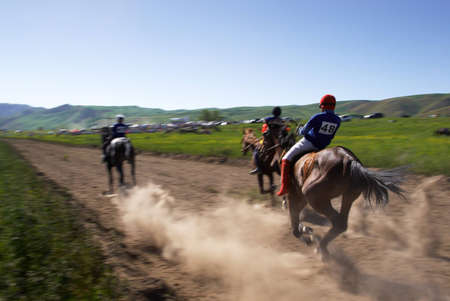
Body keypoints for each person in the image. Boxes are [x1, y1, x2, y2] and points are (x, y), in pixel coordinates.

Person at [277, 94, 341, 196]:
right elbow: (331, 135)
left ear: (323, 106)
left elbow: (304, 131)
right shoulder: (338, 120)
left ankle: (284, 187)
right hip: (322, 147)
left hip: (308, 143)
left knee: (285, 158)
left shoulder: (317, 117)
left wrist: (299, 129)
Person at [249, 106, 284, 175]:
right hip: (279, 139)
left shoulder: (269, 119)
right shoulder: (281, 120)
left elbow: (265, 121)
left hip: (269, 139)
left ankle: (258, 168)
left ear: (273, 112)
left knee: (256, 151)